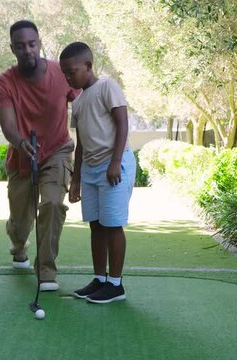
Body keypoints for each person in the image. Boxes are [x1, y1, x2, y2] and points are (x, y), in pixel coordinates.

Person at [0, 20, 78, 292]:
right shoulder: (4, 83)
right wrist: (19, 142)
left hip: (57, 150)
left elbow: (84, 103)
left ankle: (46, 271)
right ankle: (18, 246)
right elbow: (8, 127)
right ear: (12, 49)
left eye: (31, 44)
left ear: (39, 43)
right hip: (22, 155)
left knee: (52, 204)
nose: (27, 50)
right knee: (21, 221)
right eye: (20, 46)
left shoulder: (61, 74)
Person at [59, 42, 136, 304]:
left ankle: (116, 284)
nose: (68, 78)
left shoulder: (107, 87)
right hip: (90, 169)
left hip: (113, 164)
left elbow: (122, 123)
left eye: (72, 71)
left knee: (113, 225)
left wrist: (115, 162)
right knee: (96, 225)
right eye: (65, 74)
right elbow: (81, 143)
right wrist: (76, 178)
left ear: (88, 66)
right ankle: (100, 279)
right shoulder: (78, 102)